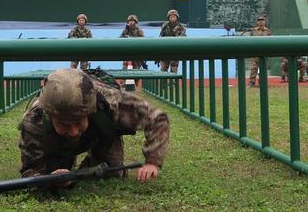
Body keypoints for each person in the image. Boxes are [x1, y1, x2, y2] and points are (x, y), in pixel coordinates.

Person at [18, 69, 169, 184]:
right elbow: (31, 171)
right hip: (56, 141)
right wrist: (47, 179)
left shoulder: (110, 101)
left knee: (110, 173)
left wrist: (152, 162)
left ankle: (94, 159)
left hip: (100, 131)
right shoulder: (33, 120)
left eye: (78, 122)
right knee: (56, 179)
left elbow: (157, 118)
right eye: (63, 124)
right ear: (50, 116)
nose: (73, 132)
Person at [159, 9, 186, 73]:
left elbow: (183, 38)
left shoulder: (181, 27)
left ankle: (173, 83)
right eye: (171, 17)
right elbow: (161, 37)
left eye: (174, 17)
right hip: (165, 50)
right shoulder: (165, 26)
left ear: (177, 17)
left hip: (175, 50)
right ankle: (163, 82)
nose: (172, 18)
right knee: (163, 68)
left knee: (174, 68)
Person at [248, 16, 272, 87]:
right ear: (257, 22)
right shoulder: (253, 31)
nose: (260, 22)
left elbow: (271, 42)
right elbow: (250, 41)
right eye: (259, 20)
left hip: (264, 53)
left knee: (263, 68)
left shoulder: (268, 31)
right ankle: (252, 82)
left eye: (262, 20)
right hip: (255, 53)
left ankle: (262, 82)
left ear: (265, 22)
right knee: (254, 68)